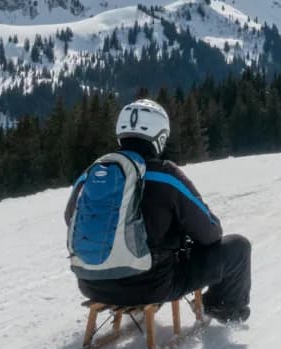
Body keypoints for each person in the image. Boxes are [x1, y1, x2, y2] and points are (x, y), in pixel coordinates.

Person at [64, 98, 252, 323]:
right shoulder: (166, 175)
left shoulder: (92, 173)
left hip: (90, 285)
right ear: (159, 137)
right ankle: (224, 309)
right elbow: (210, 233)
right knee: (239, 247)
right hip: (152, 286)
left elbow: (70, 218)